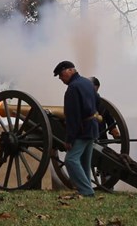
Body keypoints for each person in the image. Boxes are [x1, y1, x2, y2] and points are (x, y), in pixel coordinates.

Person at [54, 60, 99, 197]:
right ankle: (87, 188)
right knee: (85, 162)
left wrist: (69, 139)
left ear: (70, 70)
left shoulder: (73, 88)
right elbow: (98, 101)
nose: (61, 79)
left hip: (81, 129)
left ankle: (86, 190)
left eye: (61, 75)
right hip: (92, 126)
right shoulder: (87, 83)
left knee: (71, 160)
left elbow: (72, 116)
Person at [88, 76, 121, 141]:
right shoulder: (79, 102)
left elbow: (111, 124)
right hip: (88, 139)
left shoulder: (103, 106)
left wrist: (117, 136)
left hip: (100, 141)